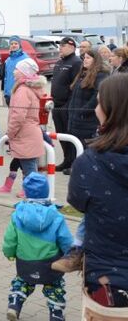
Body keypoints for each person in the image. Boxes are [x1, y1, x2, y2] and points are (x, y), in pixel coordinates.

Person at [68, 73, 128, 312]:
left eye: (99, 102)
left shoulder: (89, 162)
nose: (96, 108)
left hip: (107, 280)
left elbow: (77, 202)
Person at [3, 172, 73, 321]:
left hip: (25, 261)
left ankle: (15, 304)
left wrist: (8, 252)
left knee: (22, 281)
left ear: (26, 192)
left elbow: (10, 239)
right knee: (55, 286)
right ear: (47, 191)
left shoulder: (17, 215)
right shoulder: (56, 217)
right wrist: (71, 256)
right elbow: (66, 240)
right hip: (51, 263)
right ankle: (56, 314)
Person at [6, 58, 46, 196]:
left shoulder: (22, 90)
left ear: (24, 72)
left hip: (24, 135)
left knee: (30, 170)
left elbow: (18, 115)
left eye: (17, 69)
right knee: (30, 168)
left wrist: (10, 133)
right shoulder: (30, 88)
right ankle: (31, 194)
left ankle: (33, 197)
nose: (14, 71)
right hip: (30, 133)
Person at [65, 49, 108, 175]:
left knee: (86, 148)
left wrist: (82, 111)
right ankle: (77, 167)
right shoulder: (83, 73)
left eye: (88, 58)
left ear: (96, 60)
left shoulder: (101, 75)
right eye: (84, 58)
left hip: (87, 120)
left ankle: (86, 171)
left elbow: (96, 97)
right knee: (76, 145)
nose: (85, 60)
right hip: (75, 119)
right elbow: (75, 95)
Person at [50, 37, 82, 172]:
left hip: (67, 105)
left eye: (63, 46)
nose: (60, 48)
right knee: (61, 134)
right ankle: (67, 160)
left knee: (70, 135)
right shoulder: (59, 63)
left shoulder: (76, 62)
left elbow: (75, 86)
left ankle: (74, 163)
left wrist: (68, 105)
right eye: (60, 46)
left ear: (72, 47)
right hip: (56, 105)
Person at [2, 36, 29, 106]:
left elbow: (29, 76)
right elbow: (6, 77)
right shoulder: (8, 60)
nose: (13, 45)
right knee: (12, 115)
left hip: (20, 93)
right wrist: (5, 92)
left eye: (16, 43)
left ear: (19, 45)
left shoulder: (25, 59)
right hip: (8, 94)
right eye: (11, 44)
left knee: (19, 114)